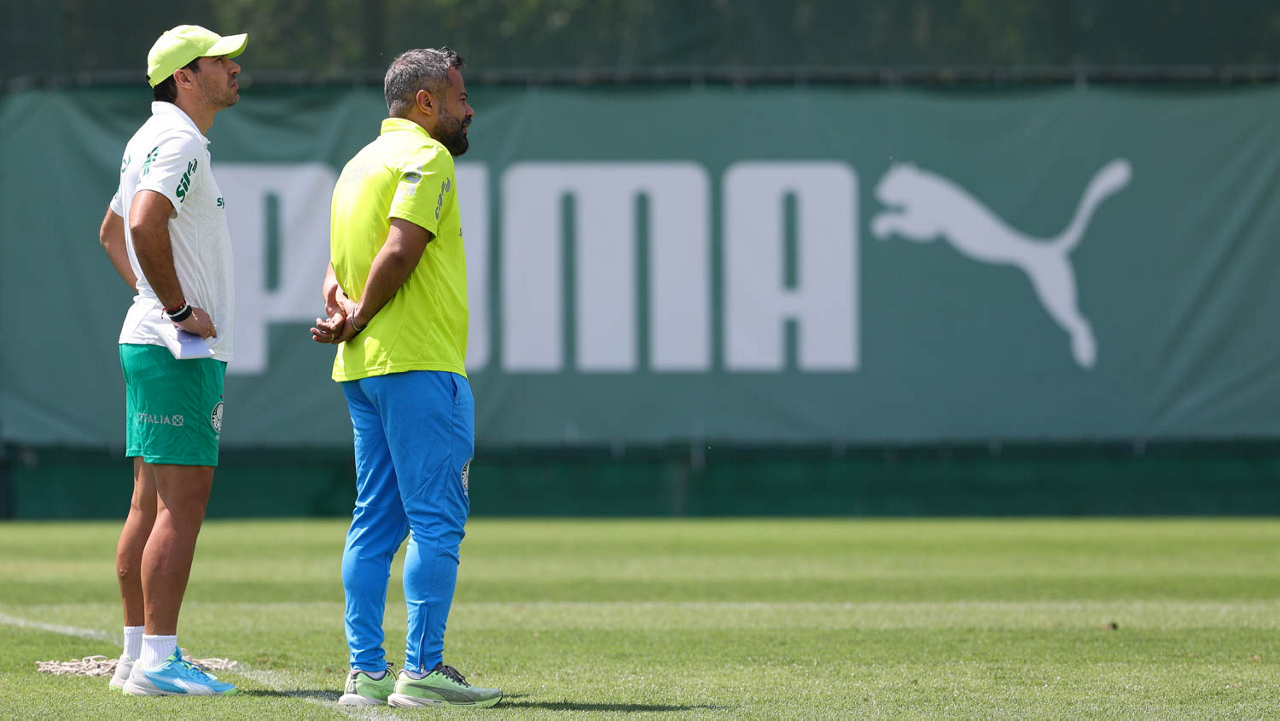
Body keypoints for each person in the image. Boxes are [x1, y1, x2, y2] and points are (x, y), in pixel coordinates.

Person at [310, 47, 501, 708]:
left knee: (374, 524)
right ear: (426, 103)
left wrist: (341, 314)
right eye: (459, 96)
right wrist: (359, 314)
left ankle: (364, 675)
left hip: (362, 369)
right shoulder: (427, 157)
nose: (468, 107)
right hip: (418, 363)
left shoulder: (358, 164)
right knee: (437, 523)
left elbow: (336, 267)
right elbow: (400, 246)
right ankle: (421, 669)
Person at [98, 24, 247, 697]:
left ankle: (136, 654)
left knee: (149, 503)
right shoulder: (179, 139)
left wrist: (155, 302)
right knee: (180, 507)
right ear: (186, 75)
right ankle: (158, 660)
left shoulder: (150, 136)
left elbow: (112, 230)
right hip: (174, 348)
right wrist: (177, 310)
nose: (235, 69)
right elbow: (139, 223)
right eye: (222, 60)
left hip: (153, 342)